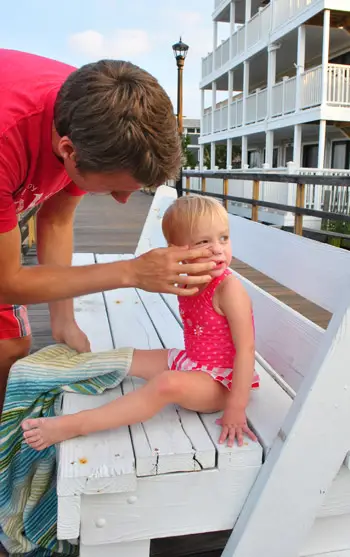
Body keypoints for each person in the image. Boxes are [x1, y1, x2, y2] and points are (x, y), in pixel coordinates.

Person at [0, 49, 215, 413]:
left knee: (11, 344)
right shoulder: (9, 140)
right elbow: (6, 282)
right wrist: (130, 272)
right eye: (115, 188)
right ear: (68, 150)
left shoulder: (94, 114)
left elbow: (56, 219)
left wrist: (63, 320)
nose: (120, 201)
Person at [22, 195, 260, 449]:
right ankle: (60, 372)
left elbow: (246, 350)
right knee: (131, 357)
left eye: (223, 237)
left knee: (166, 383)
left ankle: (75, 424)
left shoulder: (228, 288)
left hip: (223, 382)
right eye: (204, 241)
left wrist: (236, 407)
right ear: (176, 250)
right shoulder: (191, 277)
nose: (217, 248)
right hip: (194, 361)